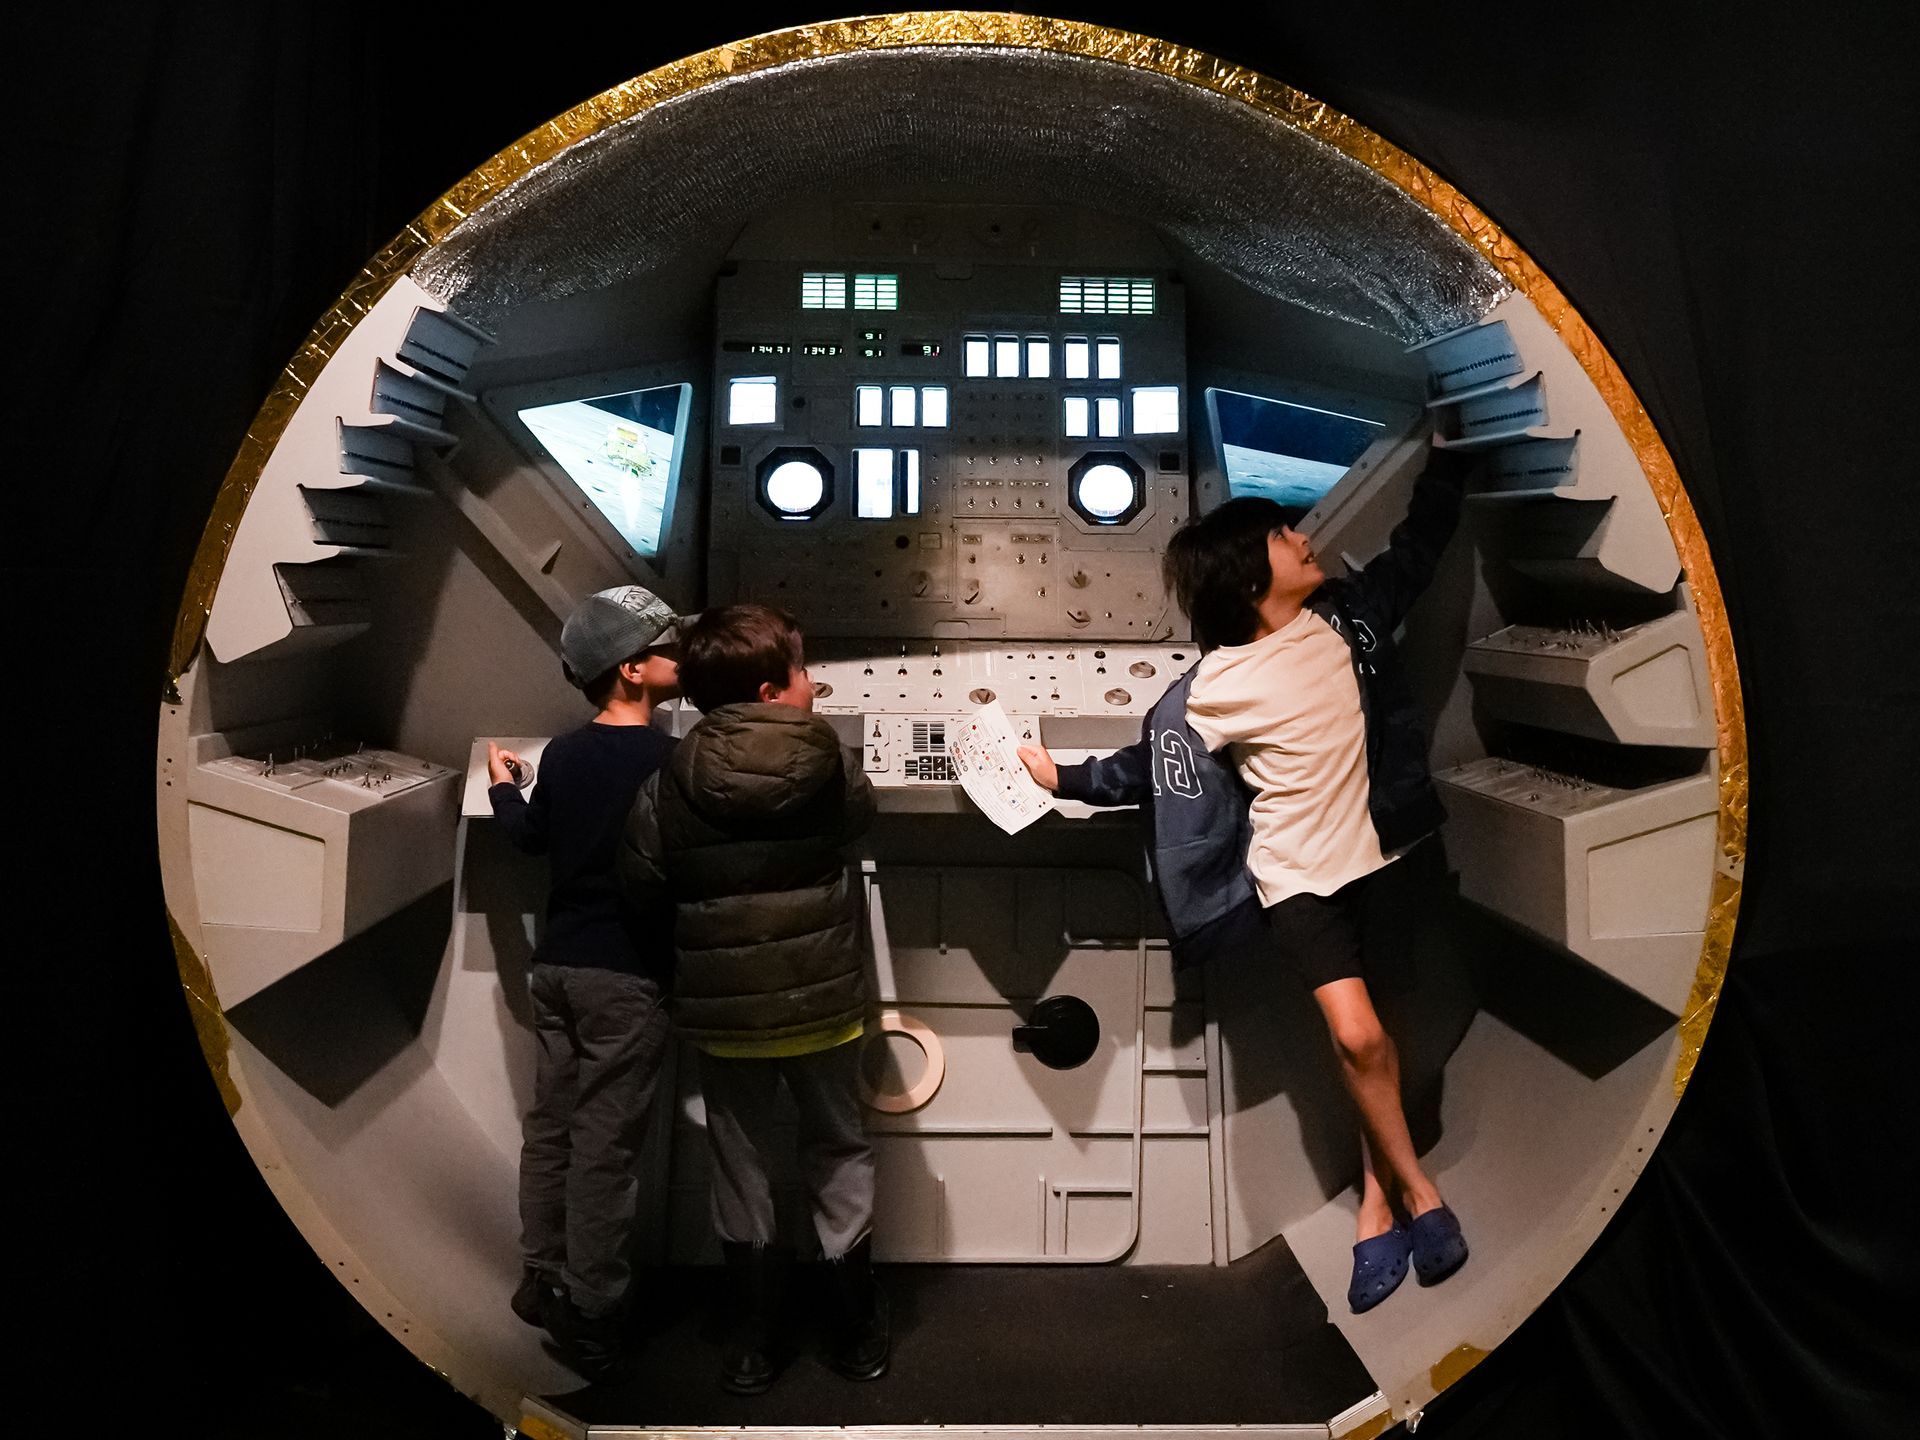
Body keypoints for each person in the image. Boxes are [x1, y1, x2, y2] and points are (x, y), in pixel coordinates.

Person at [1019, 447, 1475, 1314]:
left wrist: (1446, 461)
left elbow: (1418, 547)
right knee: (1358, 1039)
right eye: (1282, 533)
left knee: (1381, 1034)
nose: (1304, 539)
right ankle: (1422, 1191)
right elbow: (1149, 769)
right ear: (1245, 575)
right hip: (1297, 880)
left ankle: (1378, 1200)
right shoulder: (1212, 689)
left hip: (1381, 859)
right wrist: (1063, 778)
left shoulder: (1353, 620)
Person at [616, 603, 884, 1393]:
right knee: (837, 1146)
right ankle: (853, 1326)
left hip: (725, 1017)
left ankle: (753, 1337)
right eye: (804, 673)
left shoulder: (670, 774)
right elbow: (860, 820)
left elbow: (641, 879)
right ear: (773, 689)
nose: (813, 685)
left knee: (741, 1161)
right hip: (823, 1009)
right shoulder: (829, 761)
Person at [487, 584, 686, 1379]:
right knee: (607, 1149)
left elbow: (529, 837)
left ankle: (542, 1276)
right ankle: (594, 1310)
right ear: (634, 671)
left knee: (553, 1128)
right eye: (670, 649)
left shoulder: (563, 755)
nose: (682, 658)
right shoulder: (673, 761)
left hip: (557, 969)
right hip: (625, 978)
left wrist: (507, 782)